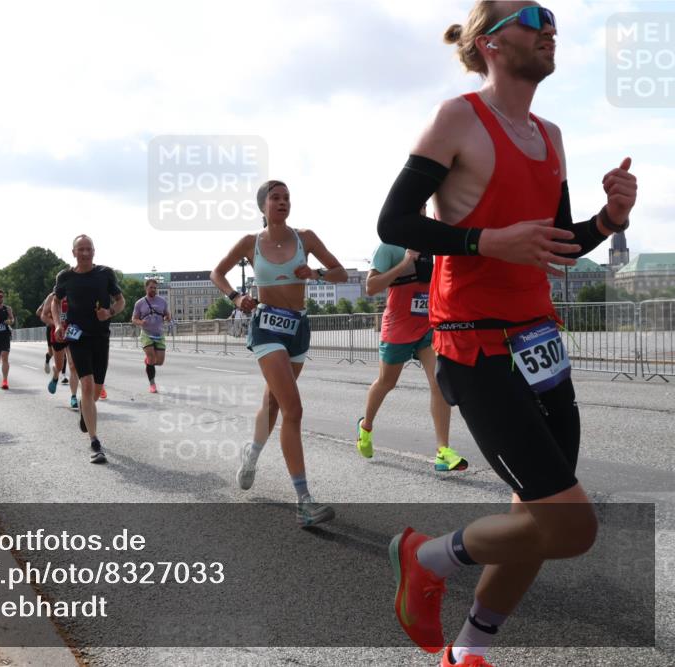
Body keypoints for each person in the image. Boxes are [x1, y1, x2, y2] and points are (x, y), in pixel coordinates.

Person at [377, 4, 637, 664]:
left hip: (540, 344)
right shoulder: (459, 117)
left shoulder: (550, 135)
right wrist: (484, 240)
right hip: (474, 341)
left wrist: (607, 218)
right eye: (530, 16)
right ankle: (424, 555)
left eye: (551, 16)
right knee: (570, 526)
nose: (548, 25)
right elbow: (395, 221)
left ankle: (467, 652)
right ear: (490, 42)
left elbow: (556, 246)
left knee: (536, 523)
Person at [211, 180, 348, 527]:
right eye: (275, 198)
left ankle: (251, 454)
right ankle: (304, 500)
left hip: (298, 328)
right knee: (293, 408)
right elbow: (217, 272)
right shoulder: (249, 243)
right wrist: (236, 298)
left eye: (286, 197)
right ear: (263, 206)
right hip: (267, 326)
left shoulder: (306, 238)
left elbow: (341, 273)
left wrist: (315, 273)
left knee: (273, 403)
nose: (283, 202)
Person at [357, 240, 468, 473]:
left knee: (440, 381)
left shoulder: (429, 246)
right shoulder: (388, 247)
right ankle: (365, 427)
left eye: (424, 208)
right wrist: (405, 262)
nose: (422, 211)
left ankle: (443, 452)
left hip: (427, 328)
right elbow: (371, 287)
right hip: (398, 329)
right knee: (387, 382)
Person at [51, 235, 125, 464]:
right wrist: (56, 324)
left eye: (89, 249)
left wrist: (110, 312)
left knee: (95, 391)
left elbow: (120, 300)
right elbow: (55, 301)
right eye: (81, 249)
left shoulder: (105, 274)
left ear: (94, 251)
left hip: (101, 336)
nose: (85, 253)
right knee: (86, 383)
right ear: (73, 252)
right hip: (77, 336)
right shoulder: (65, 277)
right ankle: (94, 442)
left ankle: (86, 411)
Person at [38, 291, 79, 408]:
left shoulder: (74, 292)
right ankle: (56, 376)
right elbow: (43, 316)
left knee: (73, 366)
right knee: (60, 366)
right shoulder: (52, 297)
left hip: (72, 331)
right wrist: (56, 325)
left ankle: (73, 397)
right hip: (58, 333)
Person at [131, 278, 171, 393]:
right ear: (146, 288)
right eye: (151, 288)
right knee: (152, 358)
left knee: (159, 362)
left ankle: (148, 361)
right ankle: (152, 384)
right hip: (146, 334)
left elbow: (167, 314)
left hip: (159, 333)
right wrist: (141, 322)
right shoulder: (140, 303)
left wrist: (168, 317)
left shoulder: (162, 301)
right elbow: (134, 319)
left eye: (155, 288)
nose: (153, 290)